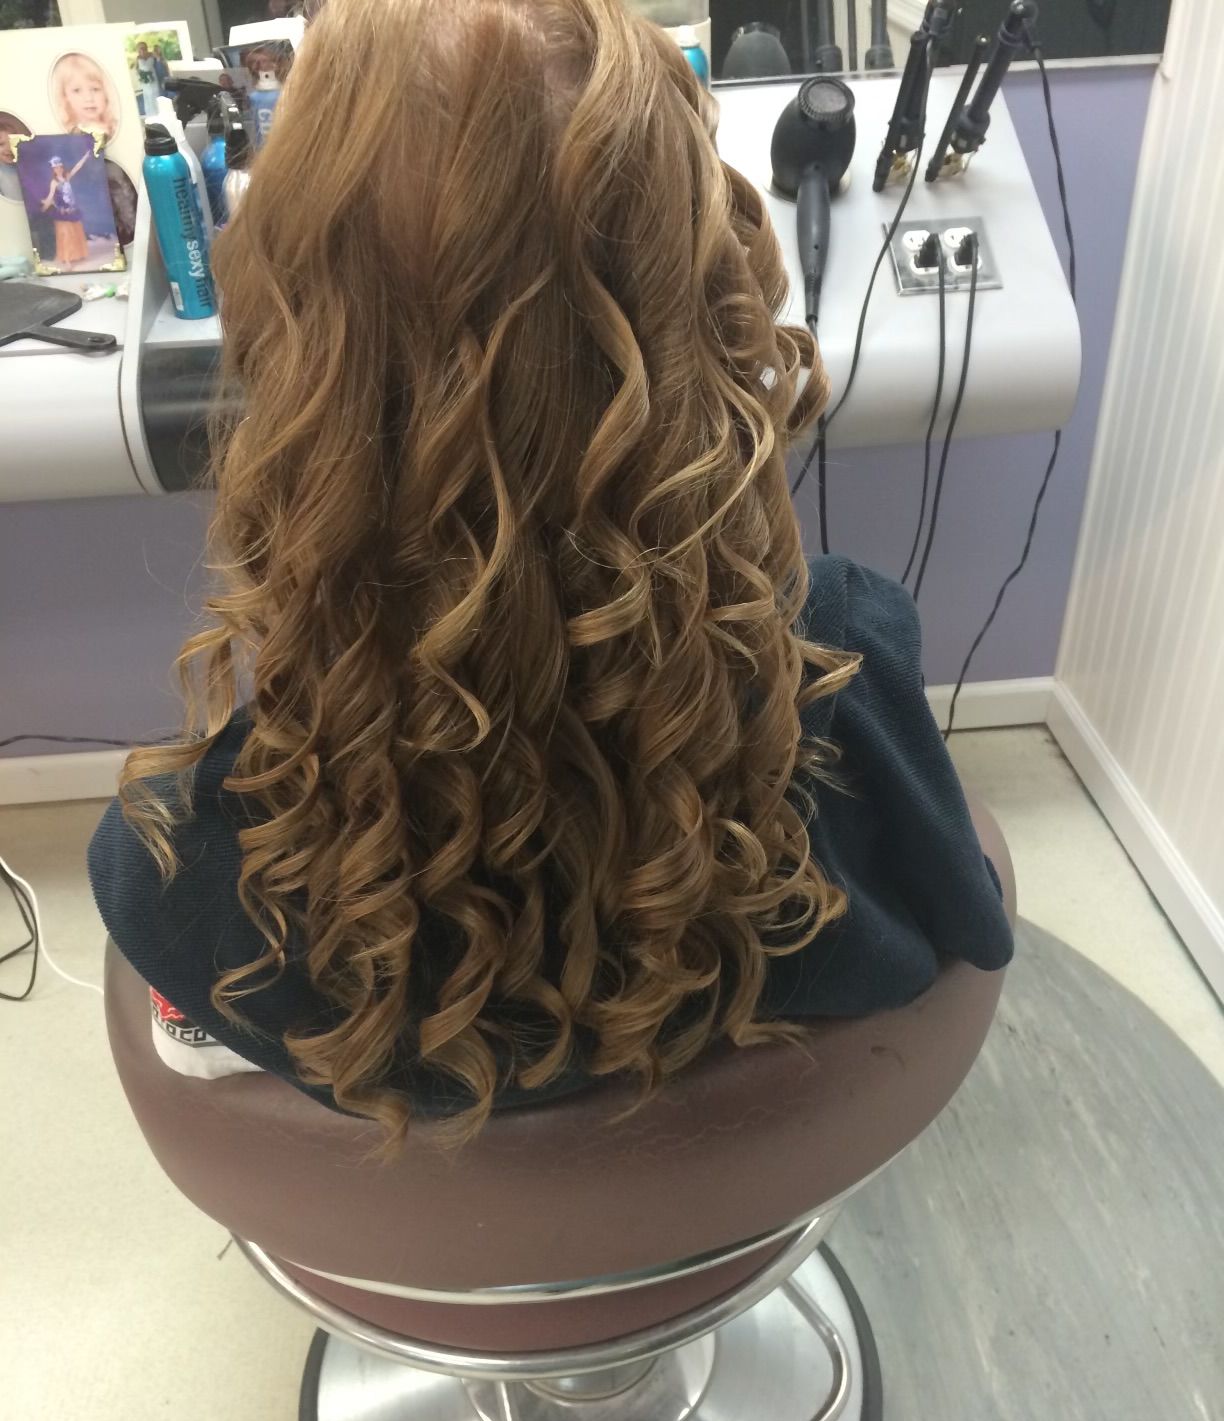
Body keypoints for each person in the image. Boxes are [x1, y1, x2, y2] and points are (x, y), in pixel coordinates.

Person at [89, 0, 1012, 1145]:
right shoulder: (853, 677)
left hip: (421, 1264)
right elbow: (969, 924)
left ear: (306, 353)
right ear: (706, 303)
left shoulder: (180, 869)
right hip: (728, 1219)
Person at [50, 52, 121, 146]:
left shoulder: (116, 128)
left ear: (106, 91)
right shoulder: (65, 132)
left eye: (95, 89)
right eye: (77, 91)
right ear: (65, 96)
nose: (88, 98)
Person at [39, 151, 90, 268]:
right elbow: (50, 196)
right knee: (65, 235)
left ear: (62, 167)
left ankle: (78, 254)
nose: (58, 169)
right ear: (53, 170)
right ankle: (66, 259)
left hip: (72, 209)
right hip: (62, 211)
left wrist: (85, 157)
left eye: (59, 167)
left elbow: (77, 167)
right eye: (55, 168)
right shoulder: (54, 182)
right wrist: (44, 207)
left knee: (76, 232)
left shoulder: (67, 176)